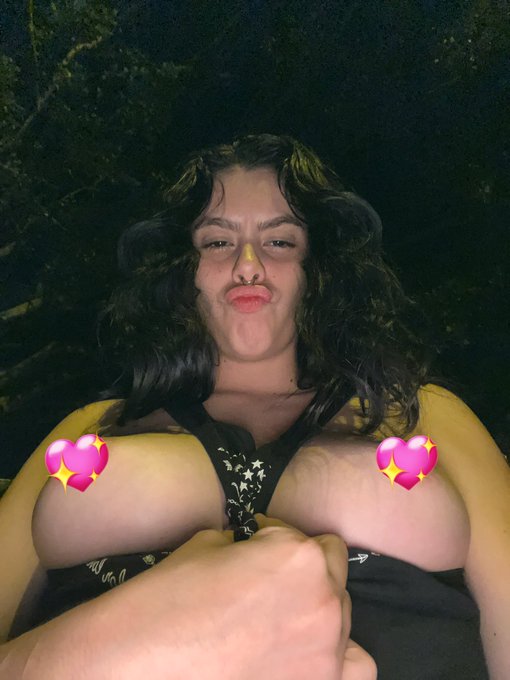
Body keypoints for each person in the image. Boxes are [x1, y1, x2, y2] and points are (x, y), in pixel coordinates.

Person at [1, 133, 508, 678]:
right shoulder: (91, 428)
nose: (248, 265)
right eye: (218, 242)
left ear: (317, 267)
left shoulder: (421, 413)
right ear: (182, 269)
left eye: (279, 241)